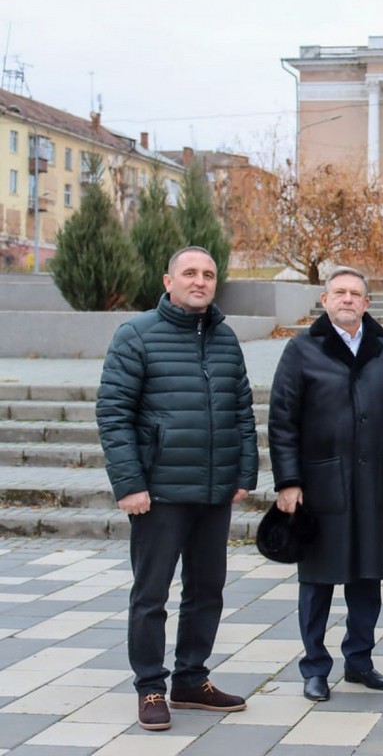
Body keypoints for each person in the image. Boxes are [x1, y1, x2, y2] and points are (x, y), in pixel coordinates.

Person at [96, 245, 258, 731]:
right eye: (189, 273)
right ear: (168, 282)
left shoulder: (226, 339)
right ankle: (150, 687)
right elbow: (113, 414)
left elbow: (242, 413)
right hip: (158, 493)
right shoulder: (136, 335)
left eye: (208, 274)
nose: (200, 281)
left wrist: (243, 474)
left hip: (213, 492)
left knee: (207, 590)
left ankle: (191, 679)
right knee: (151, 594)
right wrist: (130, 484)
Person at [269, 266, 383, 703]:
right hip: (320, 484)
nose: (348, 299)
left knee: (366, 575)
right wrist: (289, 481)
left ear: (367, 303)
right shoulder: (301, 350)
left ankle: (359, 660)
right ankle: (315, 667)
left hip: (373, 479)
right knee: (317, 577)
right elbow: (282, 422)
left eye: (356, 293)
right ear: (324, 300)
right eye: (339, 292)